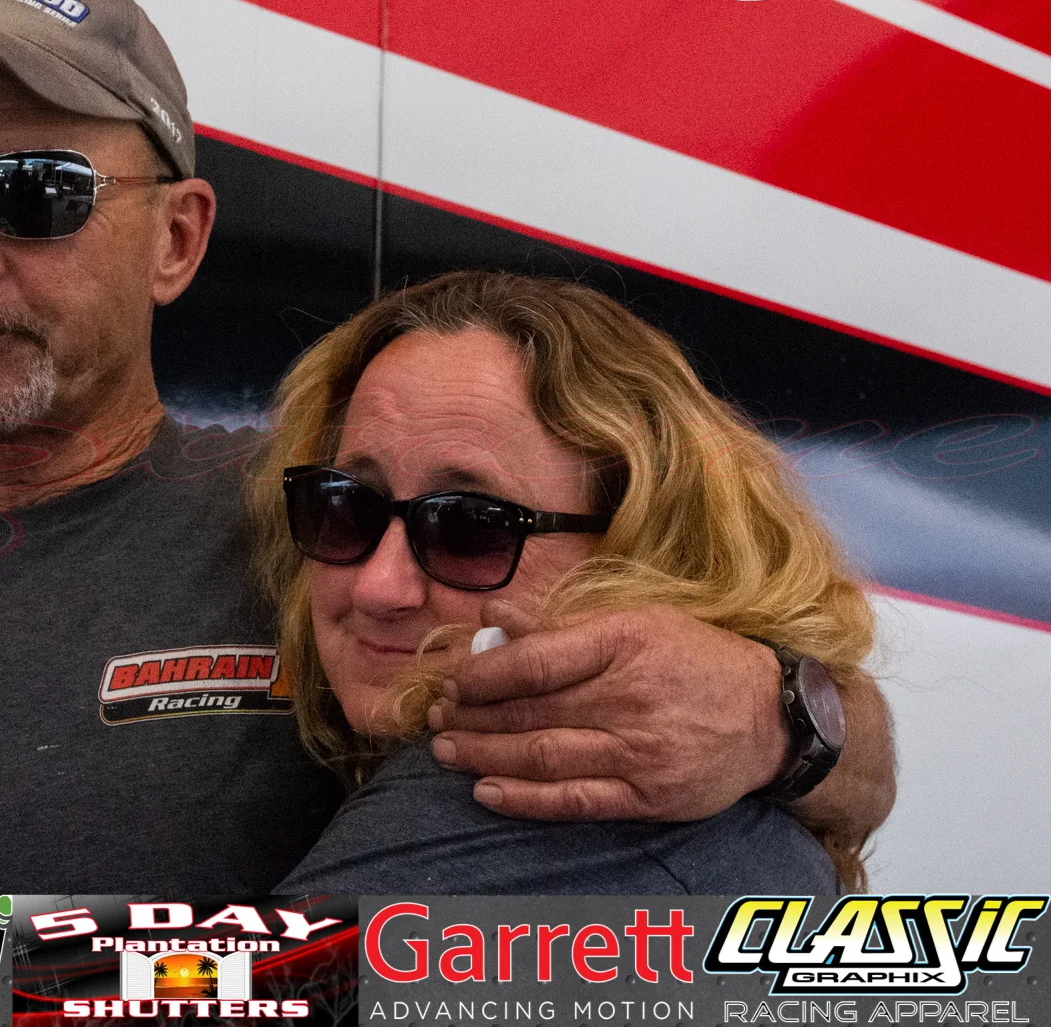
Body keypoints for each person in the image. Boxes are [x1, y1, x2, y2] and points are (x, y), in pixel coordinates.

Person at [0, 0, 893, 895]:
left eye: (34, 192)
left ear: (176, 238)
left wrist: (782, 715)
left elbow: (788, 770)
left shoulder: (337, 529)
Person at [252, 271, 873, 892]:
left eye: (469, 527)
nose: (378, 588)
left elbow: (244, 966)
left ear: (637, 552)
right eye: (343, 504)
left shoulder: (520, 795)